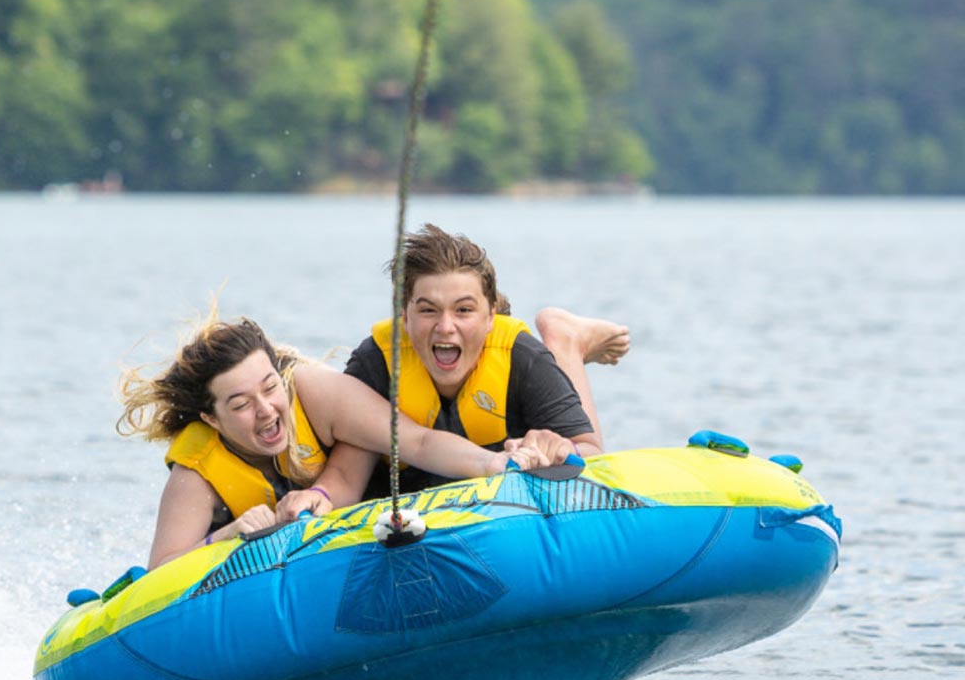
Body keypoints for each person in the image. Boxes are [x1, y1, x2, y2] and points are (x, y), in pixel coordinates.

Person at [118, 315, 548, 570]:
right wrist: (227, 534)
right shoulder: (198, 471)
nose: (266, 410)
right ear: (212, 418)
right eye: (241, 404)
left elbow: (415, 441)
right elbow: (161, 573)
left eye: (269, 388)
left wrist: (494, 465)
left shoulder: (314, 394)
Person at [276, 224, 629, 518]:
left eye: (463, 310)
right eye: (428, 310)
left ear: (491, 315)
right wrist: (319, 495)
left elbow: (594, 454)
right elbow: (347, 474)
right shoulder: (378, 365)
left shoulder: (521, 357)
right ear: (404, 315)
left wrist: (559, 448)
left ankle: (565, 341)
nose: (445, 327)